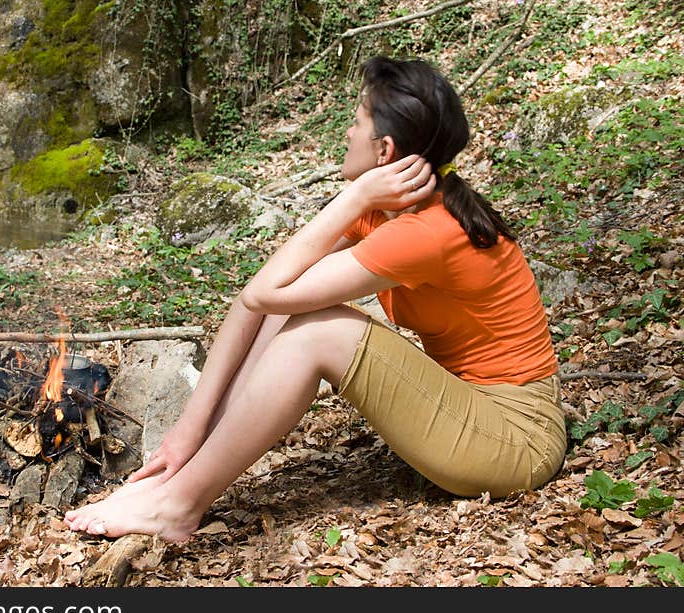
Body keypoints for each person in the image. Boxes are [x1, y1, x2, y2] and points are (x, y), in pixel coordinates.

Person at [63, 56, 566, 543]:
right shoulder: (394, 210)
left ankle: (179, 507)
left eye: (356, 122)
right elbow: (259, 300)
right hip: (469, 411)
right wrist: (186, 435)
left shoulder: (425, 230)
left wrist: (351, 199)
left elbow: (265, 291)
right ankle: (182, 477)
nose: (347, 134)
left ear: (384, 150)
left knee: (320, 331)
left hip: (515, 440)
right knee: (298, 306)